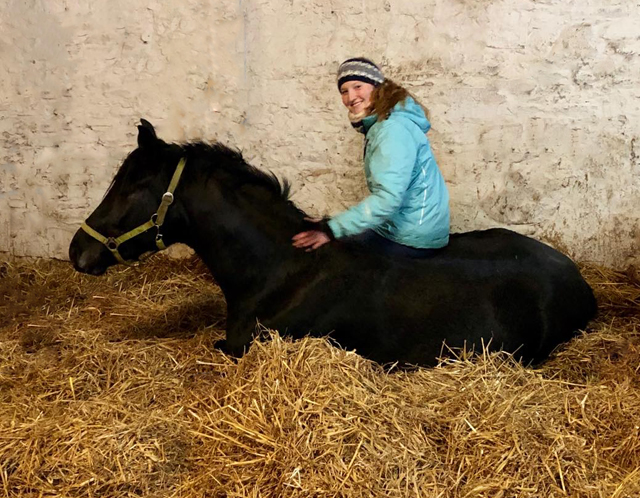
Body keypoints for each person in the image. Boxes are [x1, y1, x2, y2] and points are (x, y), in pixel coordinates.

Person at [292, 57, 450, 257]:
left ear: (377, 87)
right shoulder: (385, 123)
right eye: (344, 91)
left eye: (358, 86)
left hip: (414, 234)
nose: (351, 97)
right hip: (404, 224)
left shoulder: (392, 129)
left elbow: (388, 199)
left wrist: (332, 229)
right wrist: (330, 224)